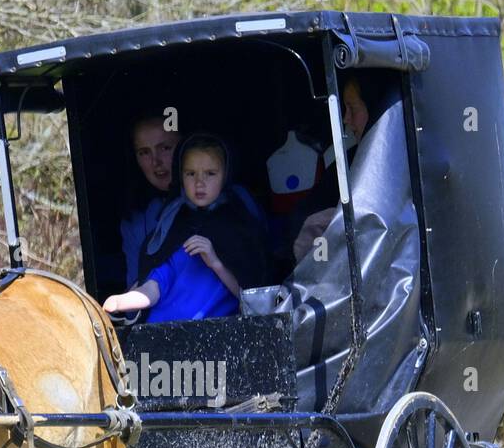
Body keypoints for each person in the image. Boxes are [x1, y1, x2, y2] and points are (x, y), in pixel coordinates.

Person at [104, 134, 267, 323]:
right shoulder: (171, 227)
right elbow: (155, 286)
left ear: (226, 175)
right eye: (191, 173)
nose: (199, 182)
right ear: (180, 176)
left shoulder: (241, 229)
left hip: (221, 339)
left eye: (210, 173)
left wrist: (215, 262)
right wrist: (121, 301)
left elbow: (254, 301)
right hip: (164, 336)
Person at [289, 75, 372, 264]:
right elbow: (305, 218)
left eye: (352, 108)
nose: (346, 119)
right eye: (345, 109)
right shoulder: (346, 163)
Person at [119, 114, 182, 289]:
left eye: (165, 148)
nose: (156, 162)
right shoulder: (135, 222)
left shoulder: (231, 199)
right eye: (144, 152)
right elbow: (135, 289)